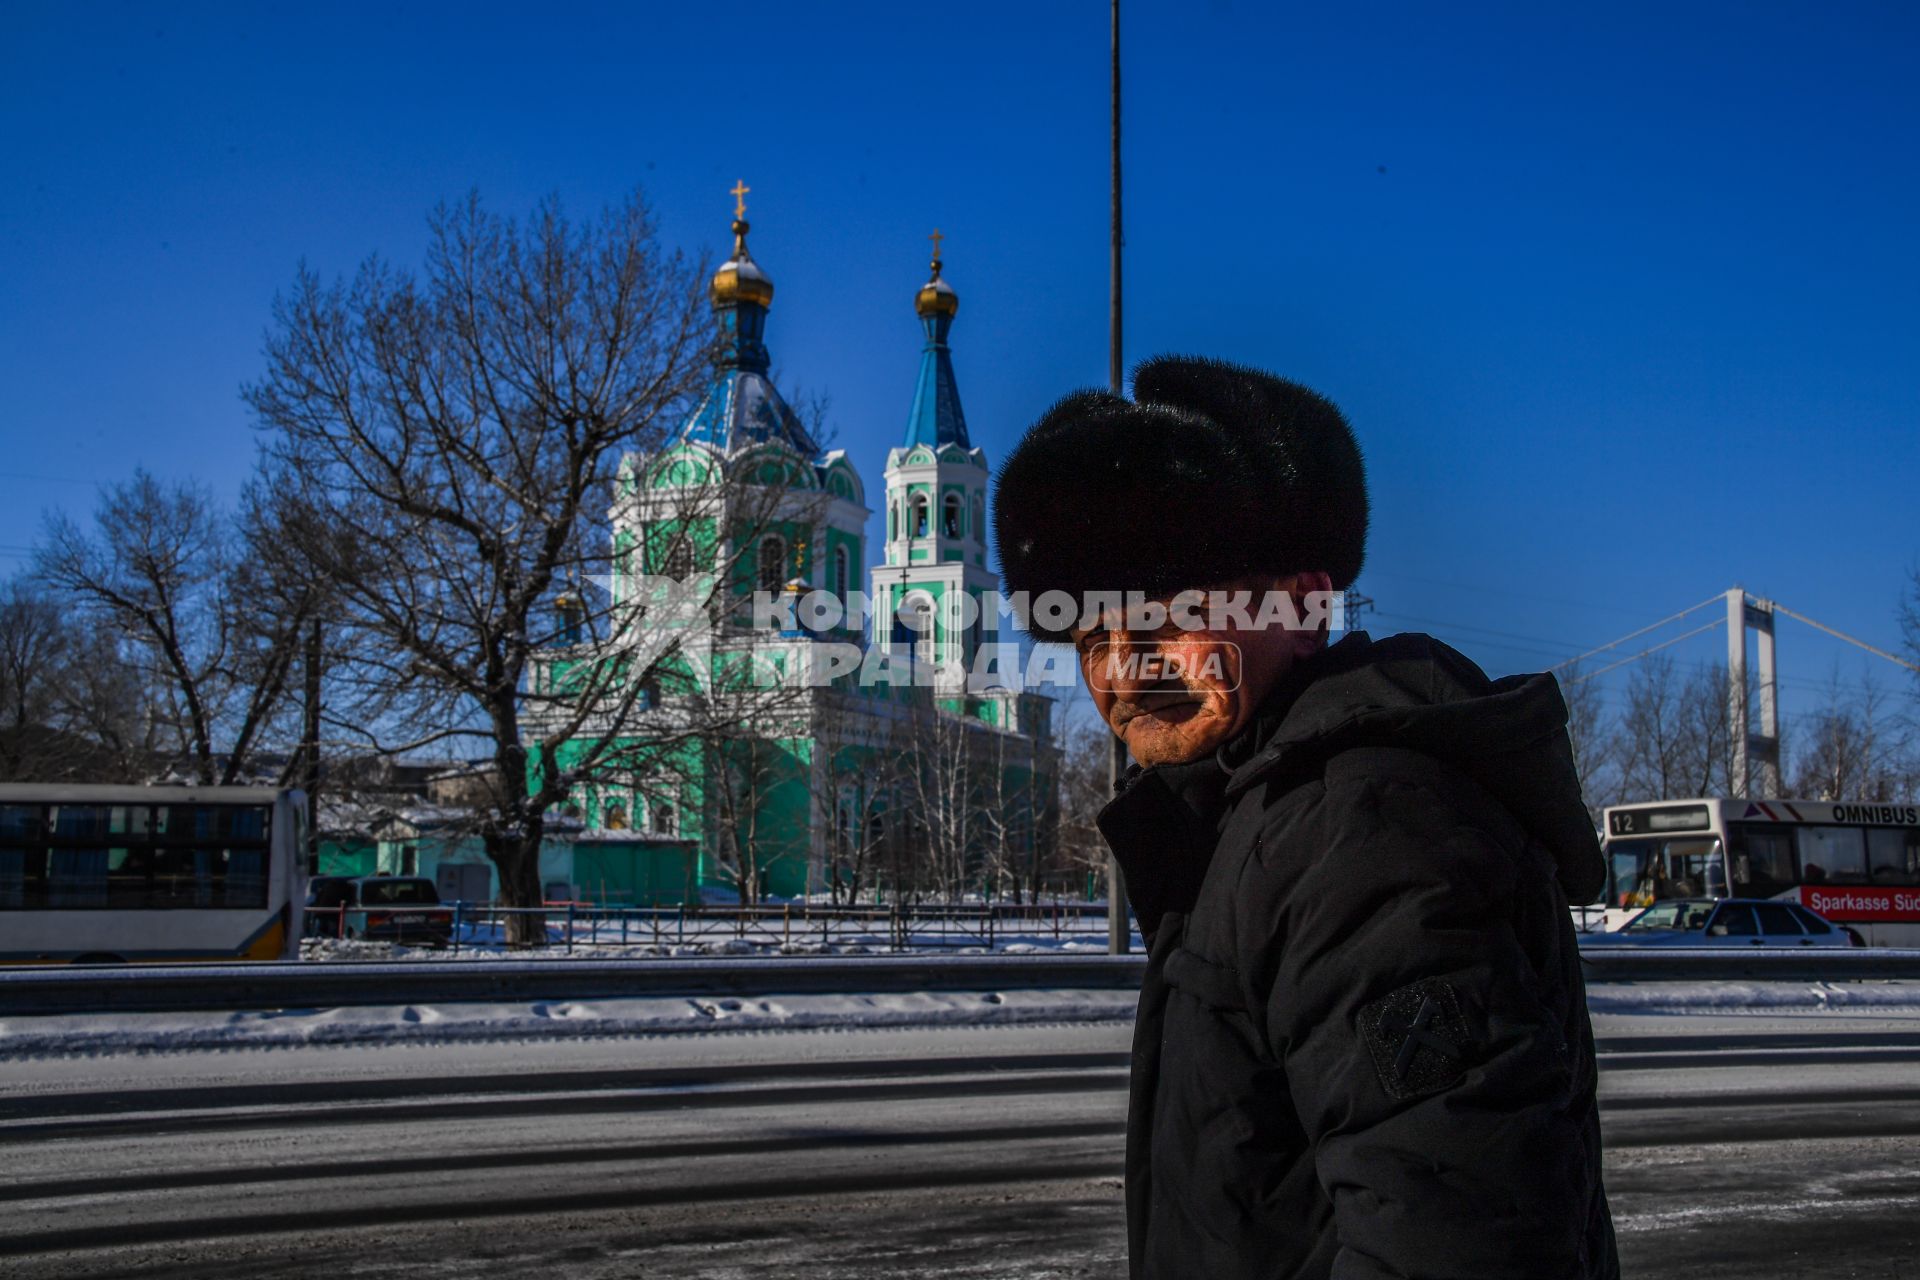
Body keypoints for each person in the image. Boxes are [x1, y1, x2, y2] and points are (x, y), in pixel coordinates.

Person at [994, 356, 1618, 1280]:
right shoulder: (1263, 820)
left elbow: (1458, 1241)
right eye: (1093, 639)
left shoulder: (1359, 836)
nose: (1128, 674)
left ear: (1304, 604)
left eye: (1170, 617)